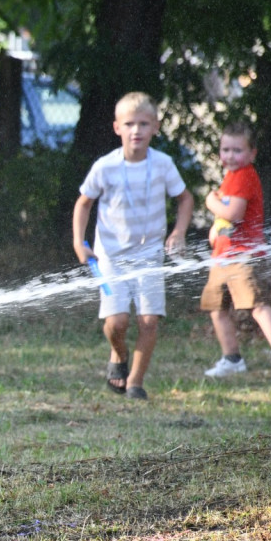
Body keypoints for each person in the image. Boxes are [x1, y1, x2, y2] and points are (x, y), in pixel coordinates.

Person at [72, 92, 194, 401]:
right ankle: (119, 355)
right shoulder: (105, 166)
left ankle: (135, 383)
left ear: (156, 127)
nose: (136, 130)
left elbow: (185, 199)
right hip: (110, 257)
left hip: (150, 256)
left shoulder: (164, 165)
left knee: (149, 321)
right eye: (129, 124)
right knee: (117, 323)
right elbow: (84, 203)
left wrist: (178, 232)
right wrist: (79, 242)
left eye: (144, 123)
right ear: (117, 128)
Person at [200, 122, 271, 378]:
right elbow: (228, 216)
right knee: (216, 308)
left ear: (252, 153)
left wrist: (210, 202)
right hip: (222, 256)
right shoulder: (231, 176)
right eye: (225, 150)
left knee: (256, 305)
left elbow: (233, 212)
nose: (230, 156)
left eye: (237, 150)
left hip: (243, 256)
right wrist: (216, 229)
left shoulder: (244, 176)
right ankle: (232, 359)